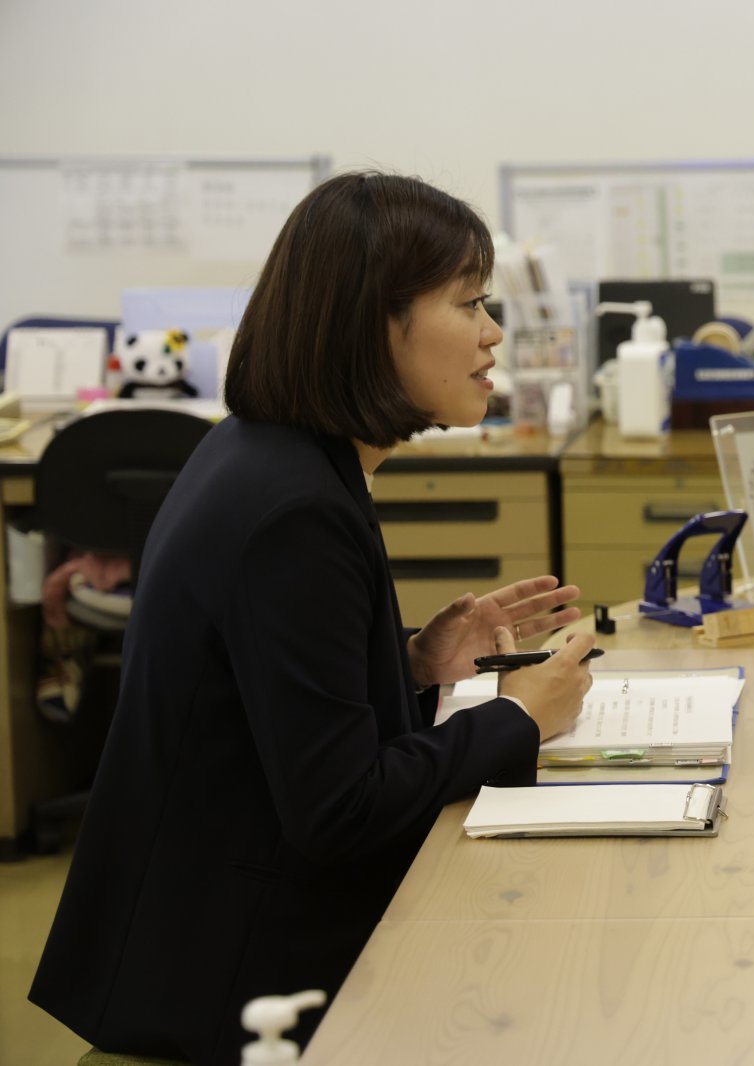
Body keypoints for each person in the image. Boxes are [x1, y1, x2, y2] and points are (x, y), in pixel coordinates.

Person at [30, 172, 597, 1065]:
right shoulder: (296, 507)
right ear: (376, 323)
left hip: (201, 922)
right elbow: (337, 807)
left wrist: (412, 666)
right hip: (224, 981)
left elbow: (271, 707)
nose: (493, 333)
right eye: (469, 303)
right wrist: (519, 716)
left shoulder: (269, 453)